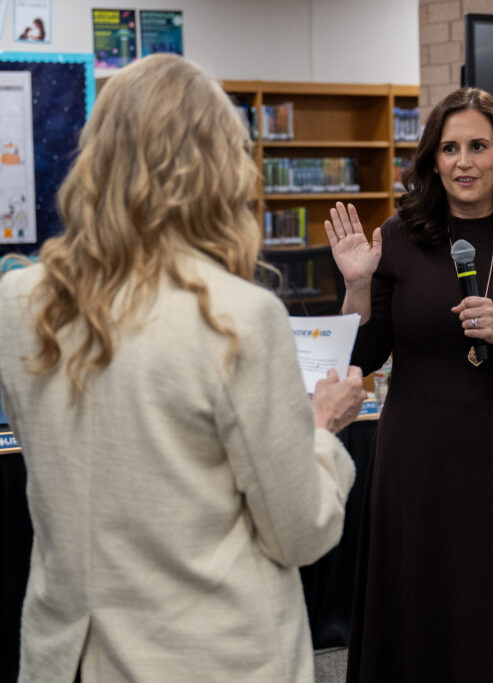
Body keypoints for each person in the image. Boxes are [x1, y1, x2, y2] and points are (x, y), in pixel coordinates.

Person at [0, 54, 365, 682]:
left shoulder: (20, 304)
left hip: (69, 658)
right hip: (212, 657)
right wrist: (321, 431)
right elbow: (299, 533)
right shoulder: (239, 317)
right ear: (218, 168)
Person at [326, 87, 493, 682]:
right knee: (420, 605)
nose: (464, 161)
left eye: (478, 146)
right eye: (450, 148)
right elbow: (362, 357)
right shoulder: (400, 236)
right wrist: (357, 286)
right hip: (416, 458)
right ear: (432, 161)